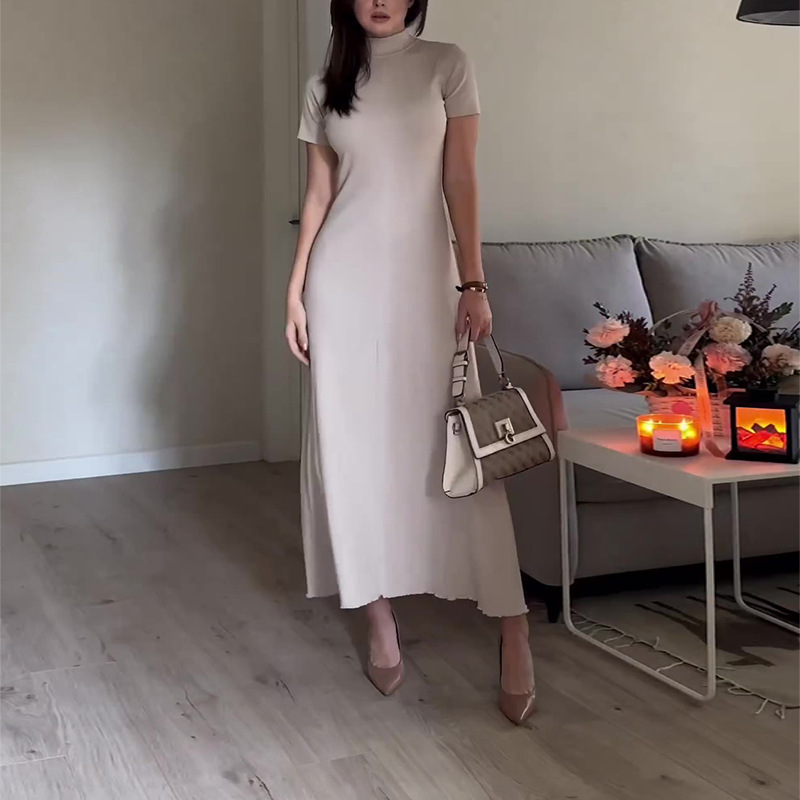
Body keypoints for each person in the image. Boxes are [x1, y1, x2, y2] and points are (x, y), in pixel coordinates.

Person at [285, 0, 535, 724]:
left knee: (457, 448)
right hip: (342, 284)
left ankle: (512, 625)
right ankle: (378, 615)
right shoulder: (324, 84)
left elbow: (461, 179)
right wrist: (295, 290)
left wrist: (474, 282)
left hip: (429, 283)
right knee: (352, 451)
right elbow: (319, 194)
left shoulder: (445, 65)